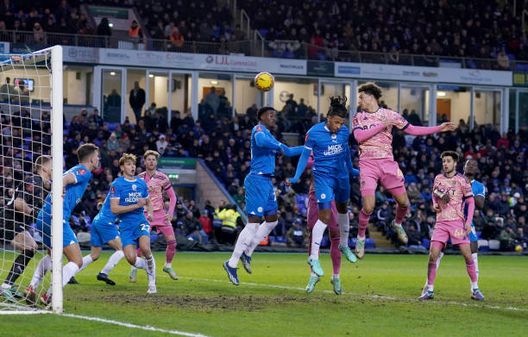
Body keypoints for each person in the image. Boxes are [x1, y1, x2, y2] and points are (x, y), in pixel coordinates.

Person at [353, 82, 456, 259]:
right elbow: (359, 137)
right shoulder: (359, 117)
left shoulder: (390, 115)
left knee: (404, 204)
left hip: (387, 164)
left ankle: (397, 223)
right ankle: (361, 236)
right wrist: (382, 125)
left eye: (361, 97)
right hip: (367, 164)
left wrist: (439, 128)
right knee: (368, 206)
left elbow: (413, 130)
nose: (359, 100)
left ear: (371, 97)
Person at [223, 107, 303, 286]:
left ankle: (248, 252)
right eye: (270, 115)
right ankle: (231, 263)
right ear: (261, 117)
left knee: (273, 220)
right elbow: (260, 141)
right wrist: (278, 146)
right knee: (253, 223)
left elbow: (289, 152)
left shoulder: (270, 135)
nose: (273, 118)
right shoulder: (258, 130)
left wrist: (308, 148)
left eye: (275, 115)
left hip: (267, 182)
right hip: (256, 179)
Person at [289, 96, 358, 277]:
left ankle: (344, 244)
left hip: (341, 176)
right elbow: (304, 156)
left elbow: (346, 153)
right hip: (323, 178)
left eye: (342, 123)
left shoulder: (344, 132)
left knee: (344, 209)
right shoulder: (314, 132)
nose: (339, 126)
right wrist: (296, 176)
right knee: (325, 217)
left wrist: (352, 170)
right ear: (328, 118)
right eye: (336, 122)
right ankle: (313, 257)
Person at [32, 144, 100, 305]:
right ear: (91, 158)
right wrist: (61, 186)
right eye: (97, 156)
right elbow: (64, 180)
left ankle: (31, 287)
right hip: (56, 217)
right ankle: (49, 295)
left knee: (52, 255)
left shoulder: (74, 169)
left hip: (44, 216)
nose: (98, 159)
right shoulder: (83, 171)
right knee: (77, 261)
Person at [419, 151, 484, 301]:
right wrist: (435, 205)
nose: (445, 164)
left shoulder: (462, 181)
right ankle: (429, 290)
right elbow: (435, 196)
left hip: (457, 223)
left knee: (468, 256)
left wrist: (468, 222)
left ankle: (475, 289)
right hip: (441, 223)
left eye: (448, 161)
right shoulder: (438, 179)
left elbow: (471, 202)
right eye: (444, 161)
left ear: (455, 163)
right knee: (432, 256)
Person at [1, 156, 51, 301]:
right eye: (52, 166)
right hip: (9, 218)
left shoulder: (42, 186)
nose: (55, 168)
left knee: (31, 248)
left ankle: (6, 286)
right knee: (31, 247)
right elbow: (18, 203)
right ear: (44, 168)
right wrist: (34, 213)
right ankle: (5, 287)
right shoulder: (34, 181)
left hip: (15, 221)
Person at [111, 153, 157, 294]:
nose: (132, 167)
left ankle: (152, 282)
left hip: (140, 222)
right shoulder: (117, 184)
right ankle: (151, 266)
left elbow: (147, 201)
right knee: (131, 259)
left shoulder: (141, 183)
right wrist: (136, 206)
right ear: (122, 167)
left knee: (145, 248)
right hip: (125, 225)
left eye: (133, 164)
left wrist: (150, 213)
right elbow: (114, 209)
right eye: (129, 164)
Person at [129, 150, 178, 282]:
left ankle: (168, 266)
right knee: (142, 245)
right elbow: (133, 197)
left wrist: (170, 212)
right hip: (145, 214)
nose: (151, 162)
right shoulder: (138, 178)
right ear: (144, 162)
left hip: (161, 215)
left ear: (156, 162)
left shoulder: (163, 178)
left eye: (153, 160)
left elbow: (173, 197)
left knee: (172, 242)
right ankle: (134, 268)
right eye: (149, 159)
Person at [77, 192, 125, 286]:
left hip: (97, 221)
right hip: (105, 222)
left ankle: (71, 272)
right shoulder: (122, 192)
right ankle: (104, 273)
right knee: (122, 249)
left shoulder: (114, 191)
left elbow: (106, 203)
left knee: (94, 255)